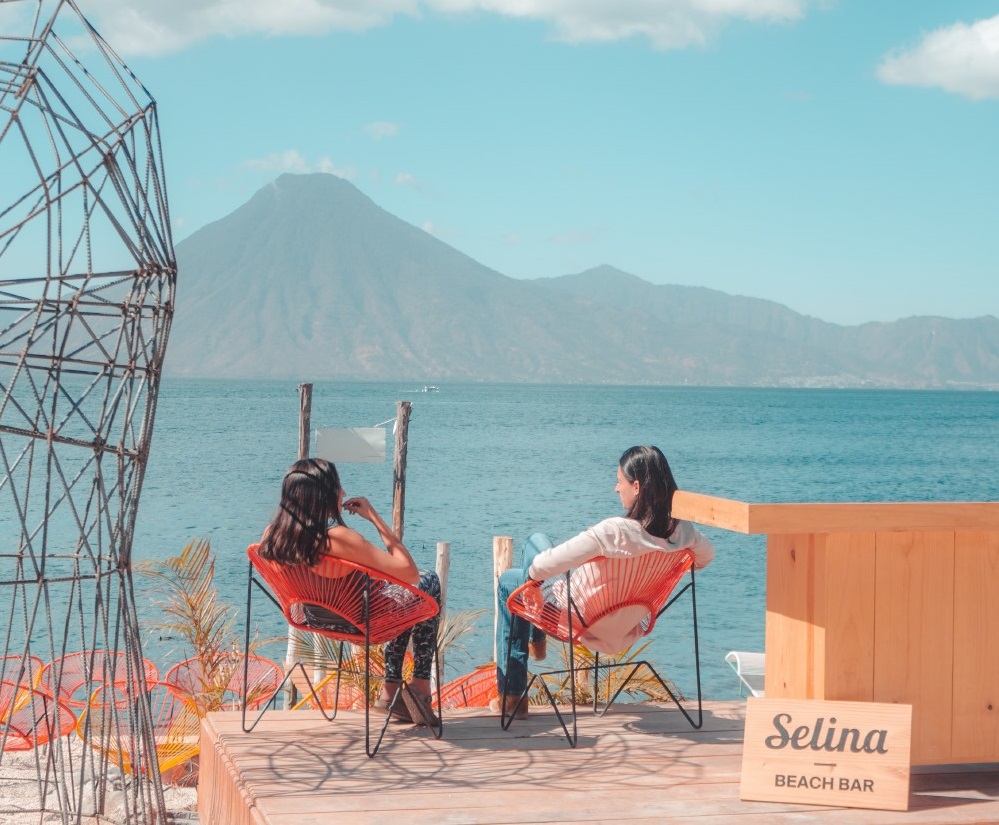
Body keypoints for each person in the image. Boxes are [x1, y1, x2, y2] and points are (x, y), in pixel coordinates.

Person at [492, 445, 714, 718]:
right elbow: (705, 558)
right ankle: (534, 643)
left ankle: (513, 694)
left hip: (579, 621)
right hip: (629, 625)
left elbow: (542, 565)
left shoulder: (613, 532)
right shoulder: (684, 533)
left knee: (518, 569)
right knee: (534, 558)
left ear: (636, 487)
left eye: (619, 482)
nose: (615, 489)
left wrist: (535, 583)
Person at [259, 457, 440, 726]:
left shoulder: (272, 537)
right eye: (338, 487)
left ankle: (390, 693)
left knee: (403, 598)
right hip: (361, 624)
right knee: (428, 581)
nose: (343, 493)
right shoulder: (339, 539)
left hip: (314, 618)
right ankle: (418, 686)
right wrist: (375, 519)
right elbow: (409, 572)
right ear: (321, 495)